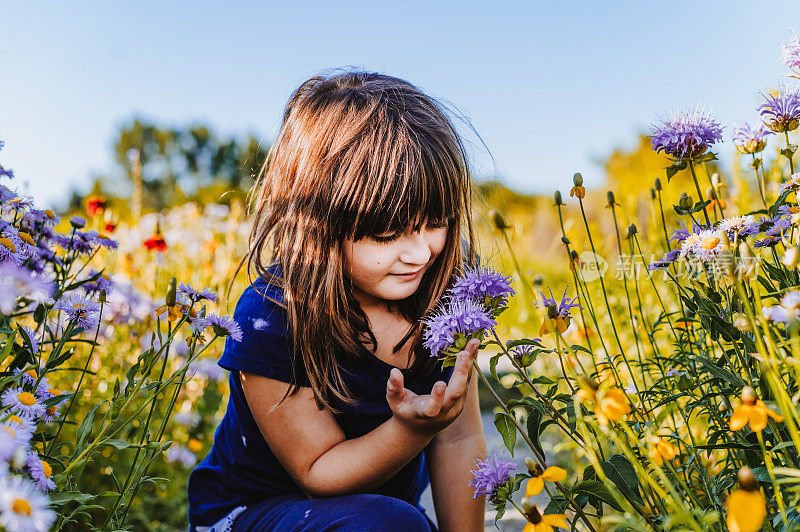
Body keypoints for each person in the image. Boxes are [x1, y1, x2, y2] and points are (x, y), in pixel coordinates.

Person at [187, 71, 487, 532]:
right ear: (319, 225)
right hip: (252, 513)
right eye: (388, 234)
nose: (420, 252)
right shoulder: (272, 318)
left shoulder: (442, 300)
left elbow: (460, 438)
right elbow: (318, 474)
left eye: (436, 222)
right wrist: (410, 431)